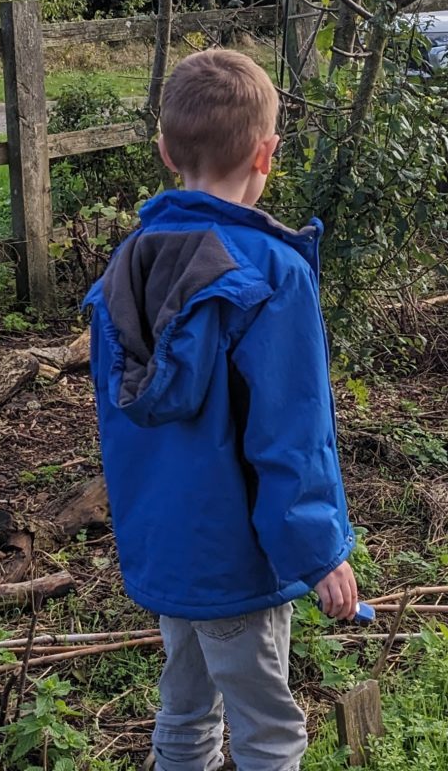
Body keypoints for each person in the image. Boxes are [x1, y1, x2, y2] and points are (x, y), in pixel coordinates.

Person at [84, 49, 358, 771]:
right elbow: (290, 436)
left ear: (167, 150)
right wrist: (320, 549)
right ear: (268, 155)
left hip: (168, 548)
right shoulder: (274, 274)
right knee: (270, 733)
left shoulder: (127, 266)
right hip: (240, 558)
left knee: (184, 713)